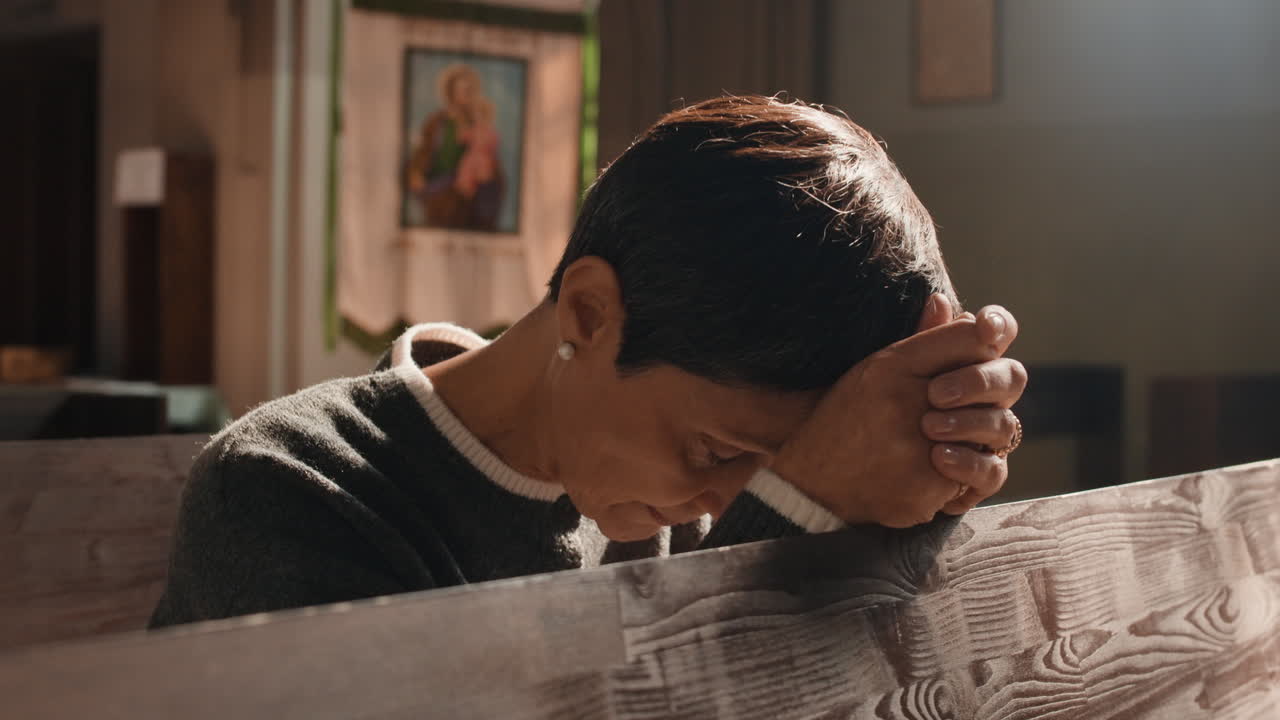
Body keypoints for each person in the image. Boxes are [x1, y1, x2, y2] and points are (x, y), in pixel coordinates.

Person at [150, 96, 1027, 627]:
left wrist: (921, 478)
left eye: (778, 466)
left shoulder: (657, 493)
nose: (725, 507)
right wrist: (798, 512)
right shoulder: (289, 492)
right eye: (717, 453)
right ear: (589, 311)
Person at [405, 63, 505, 231]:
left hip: (469, 186)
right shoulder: (437, 122)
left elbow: (490, 156)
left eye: (471, 91)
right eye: (463, 91)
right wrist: (416, 172)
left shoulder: (479, 122)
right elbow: (424, 150)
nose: (468, 95)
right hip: (441, 183)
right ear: (452, 93)